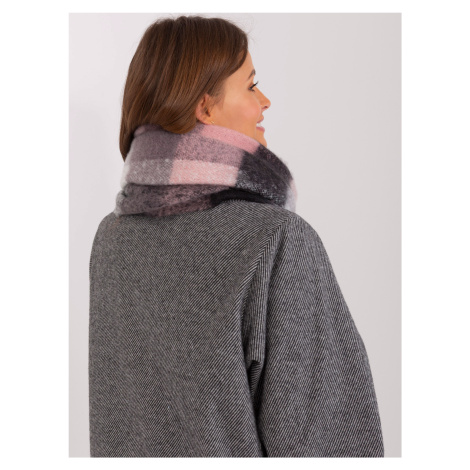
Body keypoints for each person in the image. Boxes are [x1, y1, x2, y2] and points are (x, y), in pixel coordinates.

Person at [88, 15, 384, 458]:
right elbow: (327, 443)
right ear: (204, 107)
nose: (264, 101)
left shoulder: (111, 239)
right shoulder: (276, 240)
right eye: (251, 85)